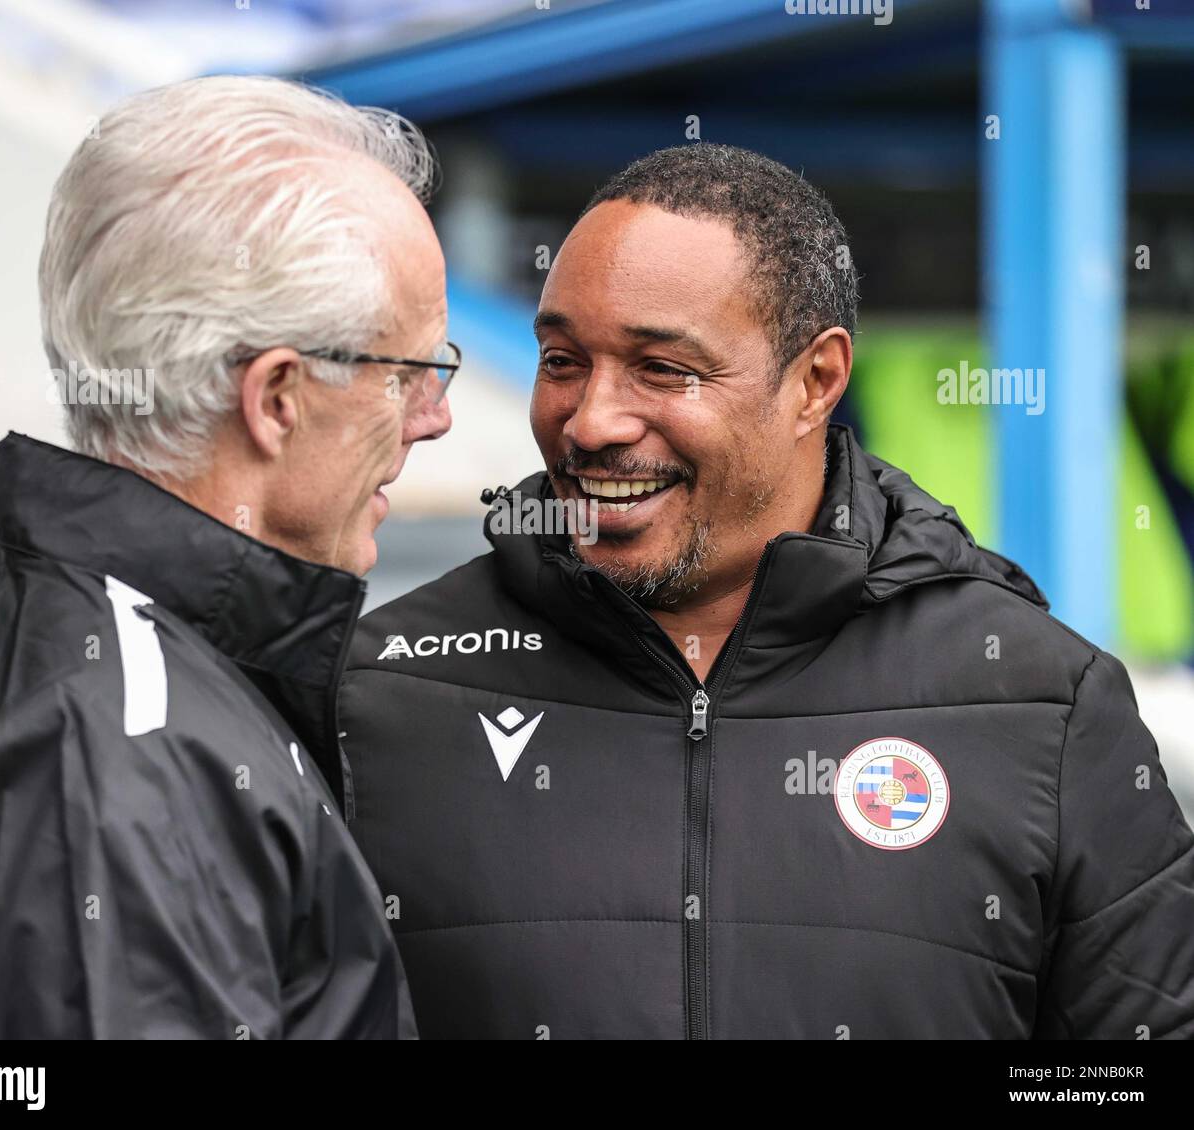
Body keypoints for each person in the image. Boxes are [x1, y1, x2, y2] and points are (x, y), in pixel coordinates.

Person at [339, 143, 1194, 1039]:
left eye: (663, 369)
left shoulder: (1040, 703)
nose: (591, 420)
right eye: (561, 361)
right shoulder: (380, 695)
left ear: (815, 381)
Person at [0, 75, 454, 1038]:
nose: (436, 419)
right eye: (410, 375)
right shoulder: (129, 735)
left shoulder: (72, 643)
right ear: (277, 396)